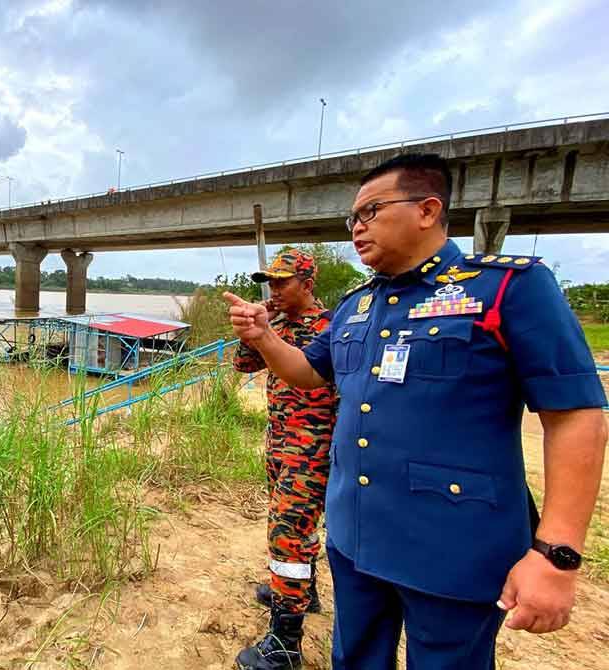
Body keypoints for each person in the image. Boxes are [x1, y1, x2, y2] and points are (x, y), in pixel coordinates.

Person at [225, 153, 608, 669]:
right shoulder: (358, 305)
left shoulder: (506, 288)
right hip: (357, 537)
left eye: (370, 212)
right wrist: (264, 336)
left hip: (453, 546)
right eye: (352, 220)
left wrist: (556, 555)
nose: (357, 228)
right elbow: (309, 372)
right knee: (355, 657)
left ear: (427, 209)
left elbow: (576, 416)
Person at [232, 249, 336, 670]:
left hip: (312, 448)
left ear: (307, 284)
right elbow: (243, 365)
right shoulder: (277, 323)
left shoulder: (329, 327)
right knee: (294, 529)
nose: (273, 288)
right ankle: (303, 592)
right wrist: (252, 329)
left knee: (288, 533)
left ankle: (285, 643)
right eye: (270, 281)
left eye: (282, 281)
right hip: (279, 442)